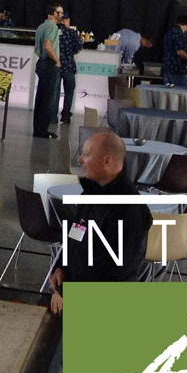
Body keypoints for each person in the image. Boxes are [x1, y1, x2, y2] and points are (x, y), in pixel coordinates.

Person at [48, 131, 154, 314]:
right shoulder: (90, 194)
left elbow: (114, 271)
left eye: (86, 154)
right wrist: (61, 267)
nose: (80, 160)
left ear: (107, 161)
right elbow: (75, 235)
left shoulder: (130, 210)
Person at [32, 3, 63, 139]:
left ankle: (38, 128)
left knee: (40, 98)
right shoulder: (52, 26)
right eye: (60, 12)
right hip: (50, 65)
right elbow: (47, 46)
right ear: (54, 14)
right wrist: (57, 61)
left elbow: (37, 49)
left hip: (42, 63)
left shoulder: (41, 26)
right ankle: (42, 130)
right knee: (48, 99)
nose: (62, 15)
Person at [57, 12, 82, 124]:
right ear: (65, 21)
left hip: (56, 66)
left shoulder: (54, 32)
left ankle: (52, 115)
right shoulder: (72, 32)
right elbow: (78, 47)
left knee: (55, 92)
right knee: (69, 92)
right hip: (69, 66)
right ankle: (65, 115)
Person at [161, 13, 187, 88]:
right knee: (181, 93)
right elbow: (179, 52)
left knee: (167, 93)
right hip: (178, 70)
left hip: (167, 68)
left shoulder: (169, 33)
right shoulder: (180, 34)